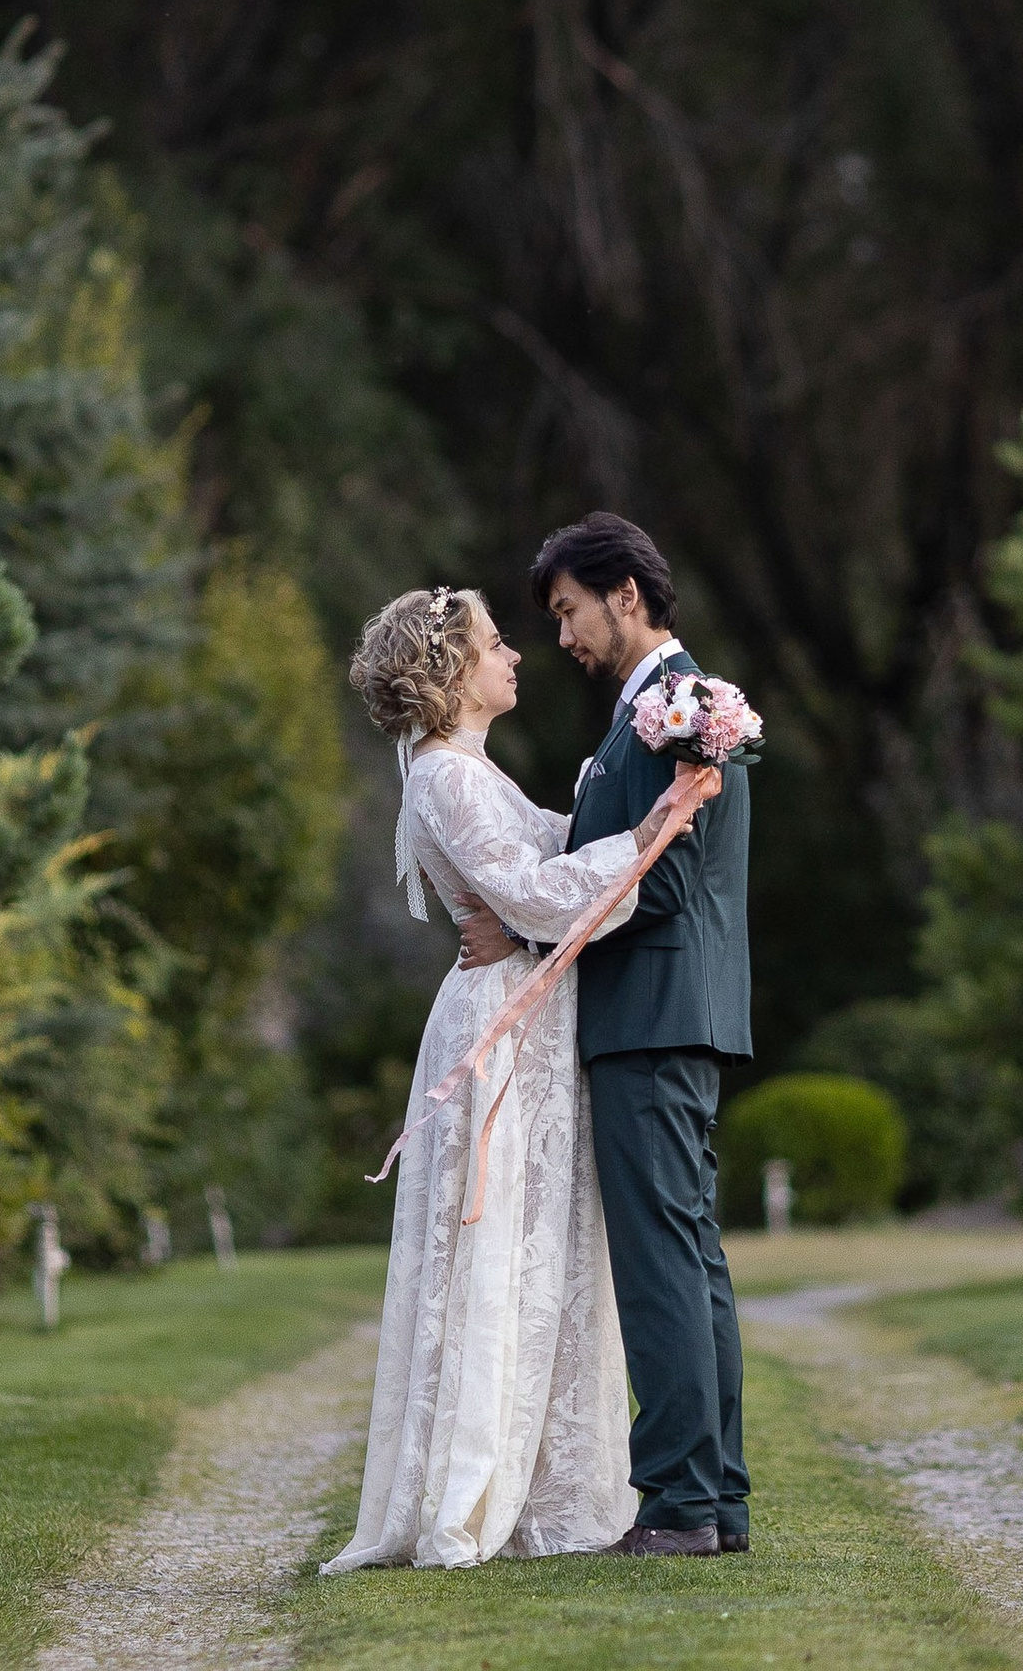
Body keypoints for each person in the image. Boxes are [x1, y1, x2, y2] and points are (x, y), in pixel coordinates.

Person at [322, 584, 682, 1571]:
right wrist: (645, 840)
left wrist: (618, 827)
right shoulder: (445, 775)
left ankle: (540, 1491)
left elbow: (542, 857)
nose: (514, 655)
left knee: (540, 1250)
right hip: (498, 1028)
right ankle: (471, 1492)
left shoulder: (470, 771)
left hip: (527, 1016)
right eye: (492, 644)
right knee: (497, 1251)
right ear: (448, 670)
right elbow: (528, 890)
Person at [528, 511, 753, 1560]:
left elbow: (654, 876)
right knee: (690, 1257)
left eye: (569, 611)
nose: (563, 637)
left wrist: (544, 901)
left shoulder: (672, 706)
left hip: (651, 1016)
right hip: (677, 1013)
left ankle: (676, 1504)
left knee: (662, 1264)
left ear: (626, 594)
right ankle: (714, 1501)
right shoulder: (668, 707)